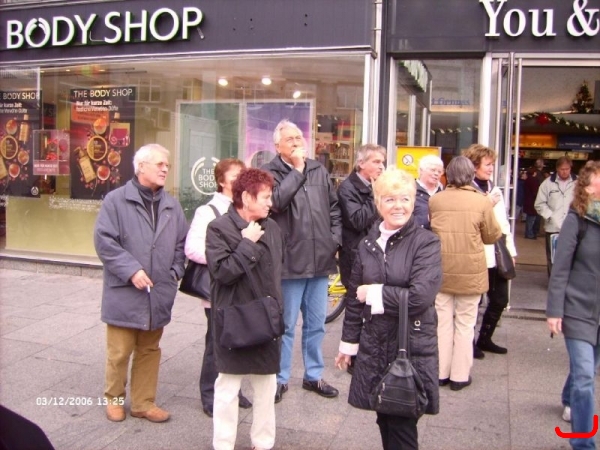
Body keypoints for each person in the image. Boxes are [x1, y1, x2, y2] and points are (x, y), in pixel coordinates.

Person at [334, 167, 442, 450]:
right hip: (375, 344)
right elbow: (354, 298)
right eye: (391, 199)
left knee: (403, 424)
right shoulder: (367, 244)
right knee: (384, 416)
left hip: (410, 344)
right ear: (378, 203)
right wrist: (348, 344)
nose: (399, 206)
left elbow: (420, 297)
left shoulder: (426, 243)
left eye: (405, 199)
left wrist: (376, 293)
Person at [94, 143, 188, 423]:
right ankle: (114, 398)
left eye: (167, 166)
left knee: (149, 350)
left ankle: (144, 402)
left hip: (159, 291)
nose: (164, 169)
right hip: (125, 290)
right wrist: (132, 270)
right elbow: (104, 241)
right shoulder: (116, 200)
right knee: (120, 350)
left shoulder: (172, 204)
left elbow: (182, 243)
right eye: (159, 164)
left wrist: (174, 272)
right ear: (140, 167)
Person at [262, 119, 342, 403]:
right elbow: (276, 203)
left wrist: (335, 240)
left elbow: (334, 209)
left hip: (320, 260)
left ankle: (313, 375)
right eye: (291, 140)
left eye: (299, 138)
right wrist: (296, 170)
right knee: (285, 325)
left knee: (317, 323)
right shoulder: (268, 172)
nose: (297, 143)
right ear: (277, 146)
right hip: (289, 262)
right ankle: (280, 379)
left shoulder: (319, 169)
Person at [206, 168, 284, 450]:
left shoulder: (272, 227)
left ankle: (263, 443)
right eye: (264, 197)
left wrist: (278, 310)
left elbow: (276, 274)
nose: (269, 203)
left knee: (266, 386)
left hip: (265, 317)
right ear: (246, 197)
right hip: (234, 318)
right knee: (227, 386)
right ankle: (223, 444)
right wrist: (246, 243)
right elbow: (222, 273)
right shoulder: (219, 228)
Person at [184, 158, 252, 418]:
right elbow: (192, 248)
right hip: (220, 290)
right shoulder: (208, 211)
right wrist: (227, 257)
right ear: (222, 181)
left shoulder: (247, 209)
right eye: (234, 177)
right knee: (217, 344)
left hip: (244, 290)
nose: (239, 182)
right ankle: (210, 395)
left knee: (239, 342)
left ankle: (234, 391)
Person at [429, 156, 501, 391]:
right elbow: (491, 236)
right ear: (471, 175)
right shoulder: (481, 201)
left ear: (448, 174)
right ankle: (460, 376)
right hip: (471, 272)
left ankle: (440, 373)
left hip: (441, 270)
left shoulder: (436, 200)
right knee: (465, 323)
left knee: (442, 323)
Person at [546, 160, 600, 450]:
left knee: (588, 370)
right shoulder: (577, 220)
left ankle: (568, 398)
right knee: (584, 377)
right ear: (589, 188)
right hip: (578, 309)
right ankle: (583, 444)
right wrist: (554, 310)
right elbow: (561, 267)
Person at [463, 144, 517, 356]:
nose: (491, 168)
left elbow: (503, 224)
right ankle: (469, 343)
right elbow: (468, 220)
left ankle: (485, 338)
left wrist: (511, 251)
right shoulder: (465, 189)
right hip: (475, 254)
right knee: (472, 302)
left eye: (492, 164)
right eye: (488, 164)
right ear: (475, 166)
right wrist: (486, 202)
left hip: (497, 252)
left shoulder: (494, 189)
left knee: (500, 299)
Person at [337, 143, 386, 305]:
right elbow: (357, 220)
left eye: (382, 162)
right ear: (361, 163)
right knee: (356, 308)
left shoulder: (378, 186)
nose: (381, 167)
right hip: (355, 257)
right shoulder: (347, 188)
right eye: (376, 162)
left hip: (376, 252)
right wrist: (375, 194)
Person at [535, 156, 577, 276]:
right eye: (562, 169)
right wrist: (550, 216)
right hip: (553, 227)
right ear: (557, 169)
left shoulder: (578, 182)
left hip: (573, 227)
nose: (565, 171)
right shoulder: (547, 184)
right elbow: (539, 204)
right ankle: (553, 282)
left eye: (567, 169)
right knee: (553, 258)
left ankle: (569, 282)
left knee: (572, 256)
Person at [414, 154, 445, 229]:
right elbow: (403, 222)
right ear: (421, 170)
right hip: (417, 238)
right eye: (433, 170)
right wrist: (426, 219)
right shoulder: (410, 191)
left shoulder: (443, 193)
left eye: (439, 171)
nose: (436, 174)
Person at [523, 166, 541, 239]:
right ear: (534, 173)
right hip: (532, 202)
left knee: (529, 219)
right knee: (532, 219)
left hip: (527, 201)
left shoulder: (527, 180)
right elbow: (535, 192)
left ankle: (528, 233)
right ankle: (530, 234)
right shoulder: (534, 180)